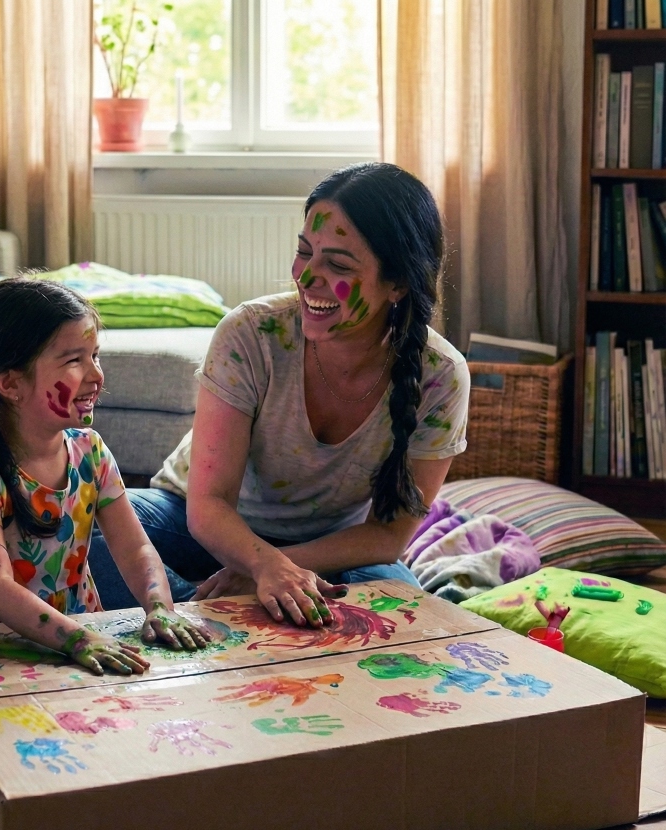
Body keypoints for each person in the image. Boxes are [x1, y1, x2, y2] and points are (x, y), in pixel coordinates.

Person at [89, 162, 469, 627]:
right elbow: (207, 507)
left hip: (330, 549)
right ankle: (206, 617)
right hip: (196, 524)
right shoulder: (251, 333)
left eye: (338, 264)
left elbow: (387, 536)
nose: (307, 278)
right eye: (304, 252)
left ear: (398, 284)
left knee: (405, 617)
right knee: (85, 527)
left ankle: (213, 616)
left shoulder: (441, 374)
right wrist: (262, 566)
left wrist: (280, 568)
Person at [0, 277, 212, 675]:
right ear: (10, 384)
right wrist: (78, 639)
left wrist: (160, 607)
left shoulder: (91, 452)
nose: (96, 375)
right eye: (74, 360)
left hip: (72, 634)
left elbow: (135, 548)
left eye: (95, 356)